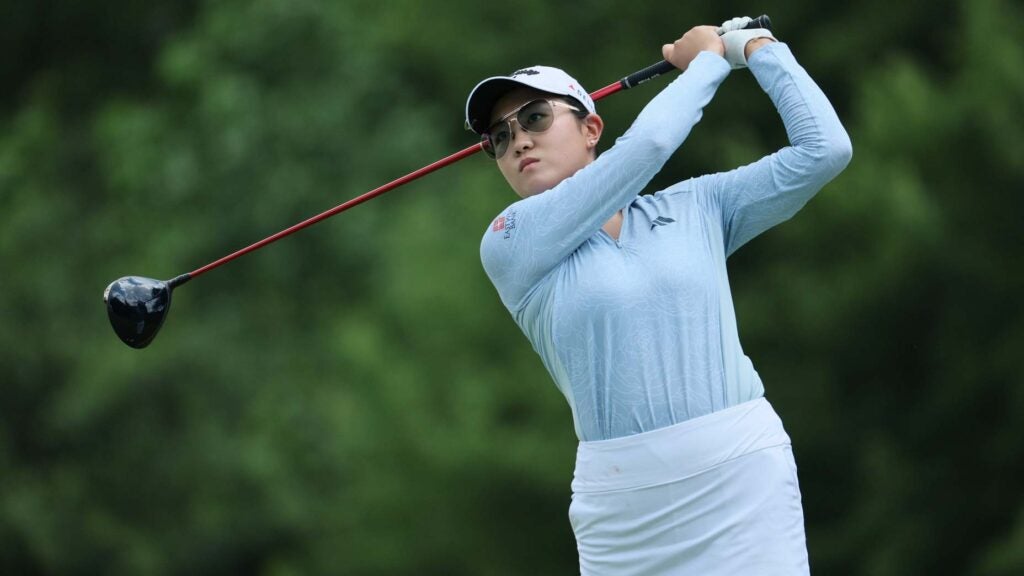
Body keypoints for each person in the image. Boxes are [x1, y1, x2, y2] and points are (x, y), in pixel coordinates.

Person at [464, 16, 851, 576]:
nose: (519, 138)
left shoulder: (698, 206)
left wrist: (758, 49)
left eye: (536, 117)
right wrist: (708, 62)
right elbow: (649, 143)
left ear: (591, 128)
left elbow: (825, 150)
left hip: (739, 474)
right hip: (624, 508)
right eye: (499, 137)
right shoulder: (510, 241)